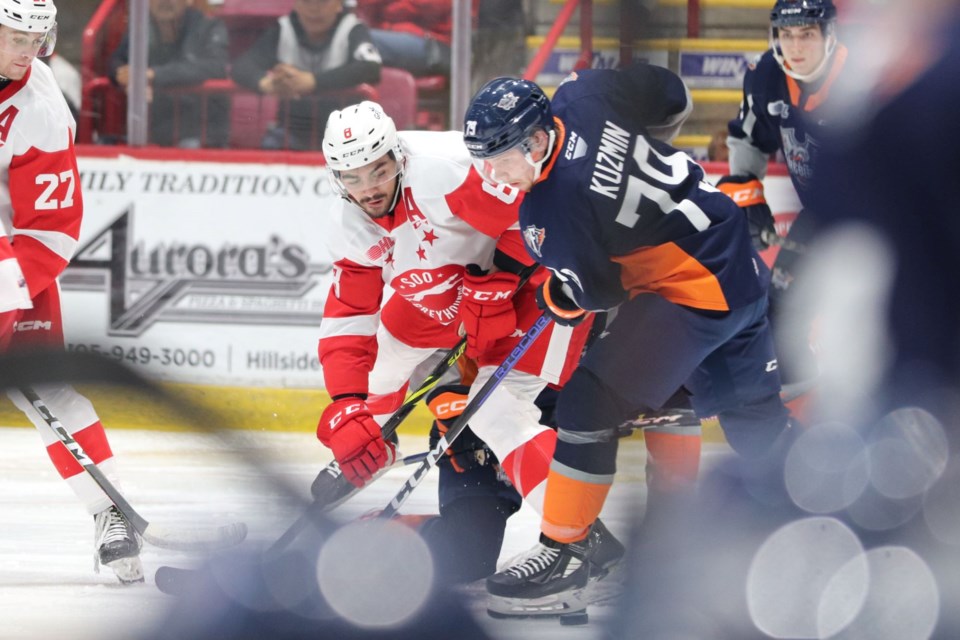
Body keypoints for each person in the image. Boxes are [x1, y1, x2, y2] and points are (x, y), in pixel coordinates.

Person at [461, 65, 791, 612]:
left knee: (589, 401)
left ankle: (567, 553)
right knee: (753, 416)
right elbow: (671, 95)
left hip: (693, 293)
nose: (494, 173)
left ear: (537, 139)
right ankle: (817, 524)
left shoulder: (548, 211)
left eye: (500, 158)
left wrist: (558, 297)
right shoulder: (582, 94)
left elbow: (599, 292)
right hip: (740, 265)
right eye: (483, 160)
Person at [314, 101, 616, 561]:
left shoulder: (448, 171)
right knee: (375, 370)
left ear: (397, 155)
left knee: (495, 413)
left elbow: (537, 212)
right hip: (454, 294)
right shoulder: (347, 223)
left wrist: (504, 279)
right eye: (351, 177)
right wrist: (345, 407)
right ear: (336, 177)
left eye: (377, 170)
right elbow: (350, 317)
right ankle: (374, 444)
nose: (368, 189)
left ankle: (583, 540)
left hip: (531, 290)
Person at [0, 0, 142, 584]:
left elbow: (50, 231)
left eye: (33, 41)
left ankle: (110, 514)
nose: (21, 54)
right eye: (10, 37)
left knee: (51, 391)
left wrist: (5, 295)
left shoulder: (41, 110)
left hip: (9, 262)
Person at [717, 0, 847, 392]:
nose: (795, 46)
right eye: (787, 35)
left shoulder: (864, 76)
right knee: (781, 308)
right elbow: (746, 139)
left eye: (806, 34)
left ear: (829, 36)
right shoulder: (767, 76)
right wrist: (748, 194)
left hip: (889, 216)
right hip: (823, 212)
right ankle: (797, 418)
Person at [231, 0, 382, 151]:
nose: (314, 9)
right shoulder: (283, 27)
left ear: (338, 4)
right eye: (307, 2)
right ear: (296, 4)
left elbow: (371, 67)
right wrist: (267, 83)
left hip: (348, 135)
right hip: (293, 132)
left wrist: (312, 82)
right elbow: (242, 65)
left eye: (322, 2)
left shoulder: (352, 28)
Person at [109, 0, 230, 148]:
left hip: (198, 131)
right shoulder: (141, 26)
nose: (165, 1)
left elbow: (215, 67)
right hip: (151, 129)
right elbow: (117, 60)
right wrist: (124, 75)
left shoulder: (209, 26)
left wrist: (153, 75)